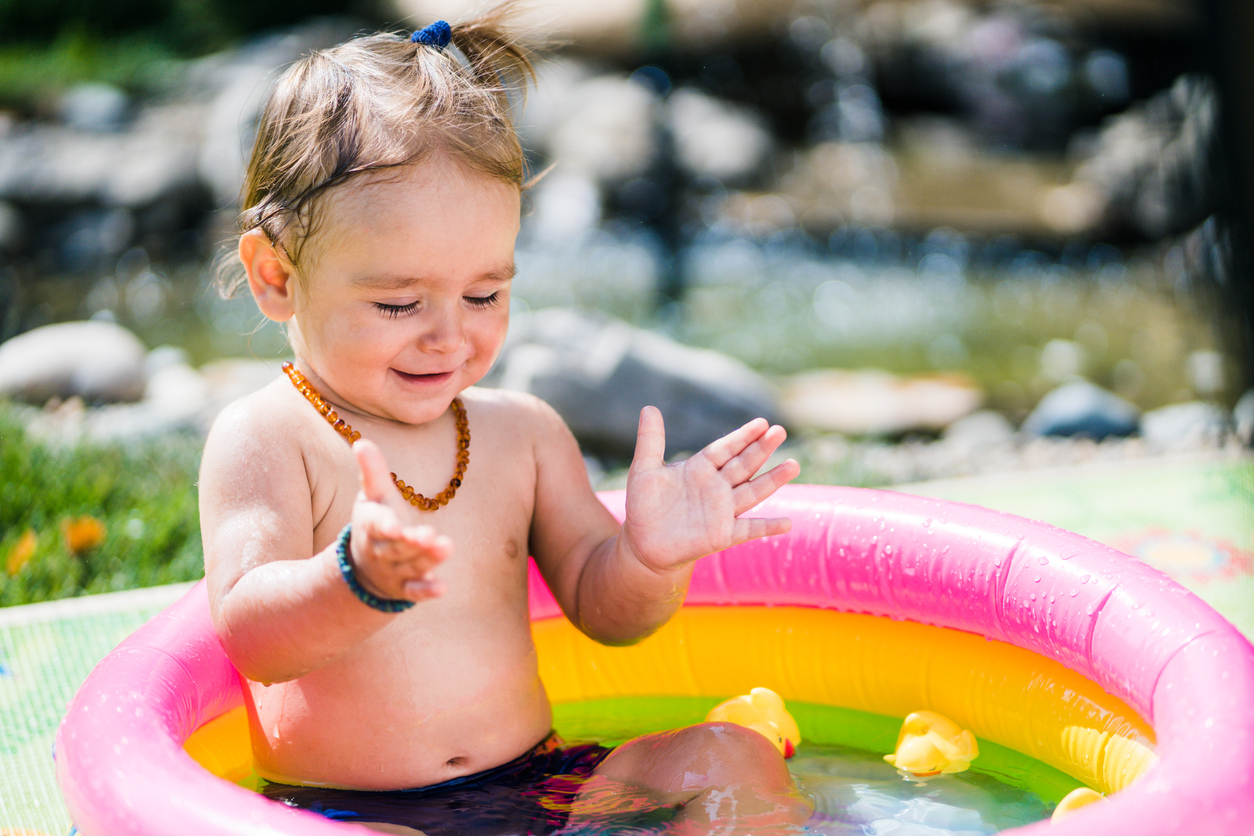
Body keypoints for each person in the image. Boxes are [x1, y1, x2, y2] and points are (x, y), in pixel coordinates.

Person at [199, 8, 808, 835]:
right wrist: (352, 581)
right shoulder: (269, 438)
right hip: (357, 812)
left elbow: (608, 612)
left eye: (485, 294)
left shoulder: (521, 434)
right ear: (276, 278)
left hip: (543, 784)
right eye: (398, 302)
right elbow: (251, 638)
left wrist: (647, 557)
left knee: (732, 758)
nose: (450, 334)